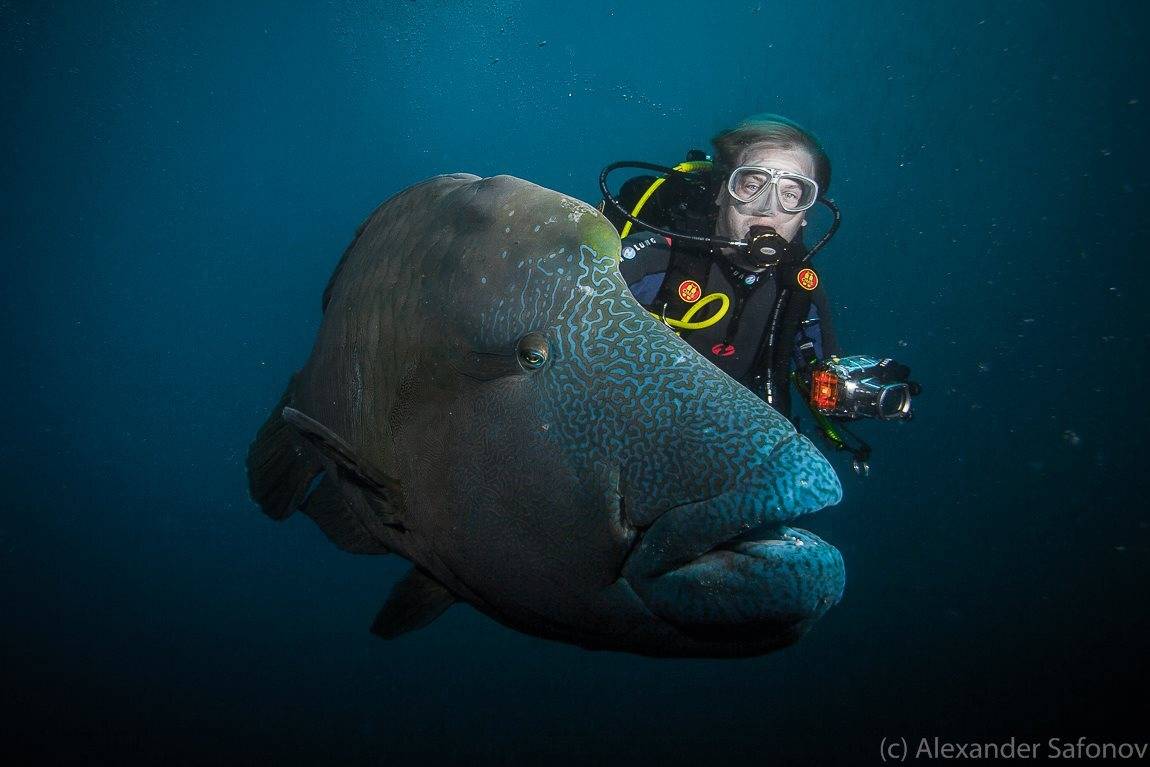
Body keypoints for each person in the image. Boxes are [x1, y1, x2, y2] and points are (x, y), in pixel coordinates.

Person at [599, 113, 919, 472]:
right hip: (617, 441)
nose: (769, 208)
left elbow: (822, 378)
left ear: (805, 214)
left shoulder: (799, 290)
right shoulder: (657, 258)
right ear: (722, 192)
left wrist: (857, 392)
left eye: (791, 194)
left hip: (723, 455)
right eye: (752, 185)